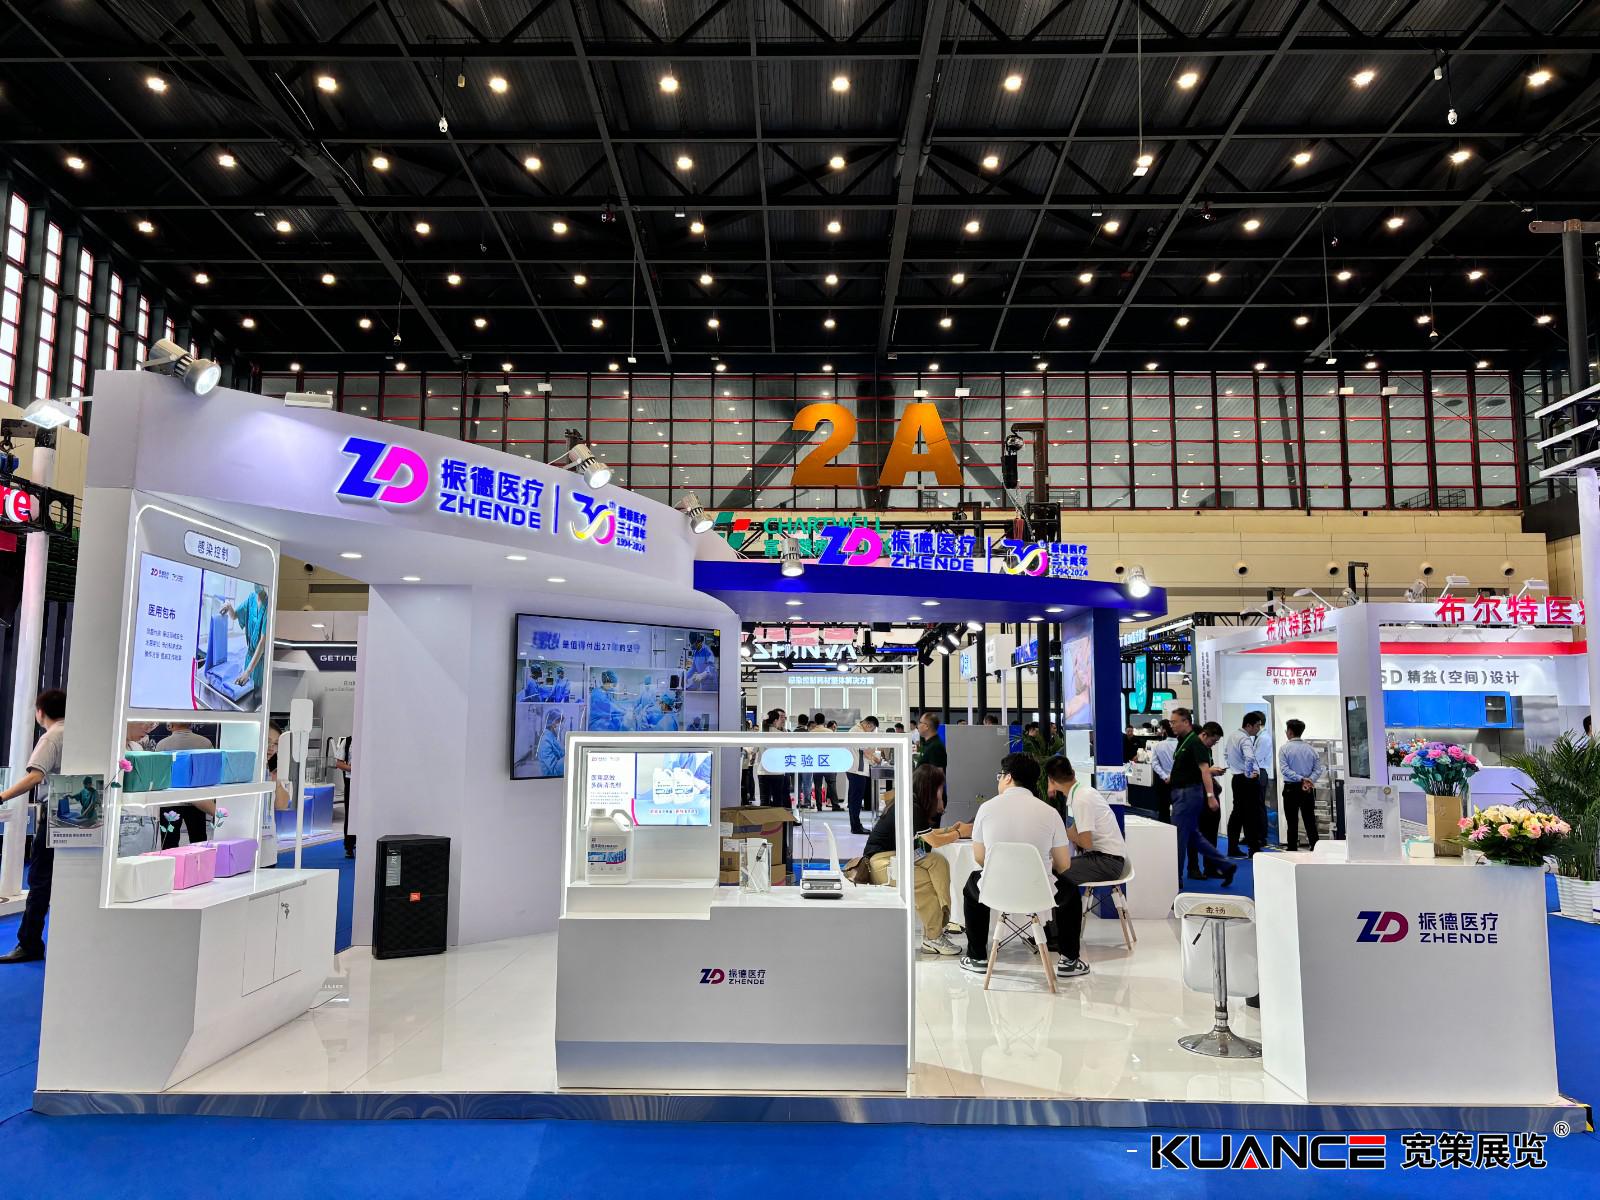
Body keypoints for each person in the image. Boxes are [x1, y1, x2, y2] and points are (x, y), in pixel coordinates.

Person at [959, 754, 1085, 978]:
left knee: (972, 885)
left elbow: (980, 857)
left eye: (1000, 776)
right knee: (1070, 892)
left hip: (995, 890)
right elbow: (1064, 864)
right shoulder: (1050, 813)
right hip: (1040, 892)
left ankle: (977, 957)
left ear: (1008, 777)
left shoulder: (986, 809)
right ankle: (1069, 960)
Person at [864, 764, 969, 955]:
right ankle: (933, 937)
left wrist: (951, 830)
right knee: (925, 883)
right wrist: (959, 833)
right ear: (930, 787)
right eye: (939, 787)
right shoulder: (911, 806)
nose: (941, 791)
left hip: (897, 857)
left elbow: (927, 834)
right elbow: (934, 841)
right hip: (882, 863)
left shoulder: (910, 802)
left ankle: (942, 918)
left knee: (938, 862)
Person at [1043, 756, 1128, 975]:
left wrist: (1065, 833)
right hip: (1104, 857)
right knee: (1055, 871)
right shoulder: (1082, 793)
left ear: (1051, 780)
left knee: (1056, 875)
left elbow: (1085, 841)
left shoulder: (1081, 799)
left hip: (1107, 861)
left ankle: (1060, 942)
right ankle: (1054, 936)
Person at [0, 690, 68, 963]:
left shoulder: (52, 736)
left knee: (40, 880)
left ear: (41, 712)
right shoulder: (79, 732)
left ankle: (29, 943)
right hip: (80, 817)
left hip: (55, 814)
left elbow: (35, 776)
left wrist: (3, 796)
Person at [1170, 721, 1237, 887]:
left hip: (1189, 796)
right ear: (1205, 734)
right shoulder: (1191, 745)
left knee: (1182, 837)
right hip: (1188, 796)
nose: (1213, 744)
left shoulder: (1198, 747)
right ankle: (1224, 865)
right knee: (1193, 836)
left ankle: (1176, 878)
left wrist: (1210, 795)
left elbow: (1205, 773)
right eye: (1213, 740)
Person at [156, 722, 215, 849]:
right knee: (199, 840)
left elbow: (159, 773)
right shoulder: (205, 743)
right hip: (199, 799)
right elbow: (210, 771)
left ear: (171, 724)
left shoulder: (162, 744)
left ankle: (171, 862)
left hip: (170, 799)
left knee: (169, 843)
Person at [1223, 711, 1268, 857]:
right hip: (1247, 781)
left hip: (1237, 778)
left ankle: (1232, 847)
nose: (1258, 729)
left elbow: (1226, 754)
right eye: (1257, 726)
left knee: (1237, 814)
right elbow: (1249, 758)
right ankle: (1253, 848)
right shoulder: (1245, 739)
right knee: (1251, 815)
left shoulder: (1232, 736)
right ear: (1249, 725)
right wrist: (1248, 773)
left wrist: (1234, 768)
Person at [1278, 719, 1326, 851]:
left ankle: (1292, 848)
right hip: (1307, 788)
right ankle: (1315, 847)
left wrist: (1300, 779)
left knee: (1292, 821)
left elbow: (1285, 769)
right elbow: (1318, 770)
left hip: (1291, 788)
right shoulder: (1311, 749)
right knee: (1310, 820)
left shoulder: (1284, 749)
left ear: (1290, 732)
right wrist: (1309, 780)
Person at [218, 584, 270, 701]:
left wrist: (248, 671)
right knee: (243, 691)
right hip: (249, 658)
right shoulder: (251, 599)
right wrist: (229, 606)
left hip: (260, 662)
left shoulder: (269, 606)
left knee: (254, 696)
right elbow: (235, 615)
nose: (257, 585)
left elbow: (262, 642)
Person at [846, 716, 882, 834]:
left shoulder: (855, 730)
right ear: (868, 725)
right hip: (857, 771)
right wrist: (876, 759)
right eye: (872, 730)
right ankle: (856, 827)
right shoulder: (858, 732)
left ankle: (855, 825)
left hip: (855, 770)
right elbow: (867, 751)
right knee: (856, 800)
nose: (871, 732)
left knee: (854, 799)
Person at [1150, 718, 1177, 824]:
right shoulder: (1181, 744)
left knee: (1163, 810)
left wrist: (1164, 776)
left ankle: (1165, 830)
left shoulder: (1158, 745)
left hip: (1163, 782)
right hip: (1178, 782)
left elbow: (1154, 764)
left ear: (1164, 730)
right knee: (1178, 809)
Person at [537, 710, 567, 777]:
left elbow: (560, 754)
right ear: (553, 724)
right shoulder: (545, 742)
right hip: (550, 779)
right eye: (560, 722)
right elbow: (554, 769)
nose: (562, 725)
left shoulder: (552, 737)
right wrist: (569, 757)